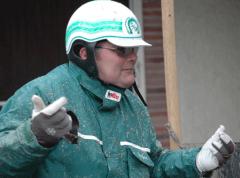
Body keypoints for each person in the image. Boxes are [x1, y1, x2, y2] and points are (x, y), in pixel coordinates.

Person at [0, 1, 235, 178]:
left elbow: (155, 165)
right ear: (83, 52)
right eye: (122, 49)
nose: (133, 57)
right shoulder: (41, 94)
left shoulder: (133, 106)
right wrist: (33, 138)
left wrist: (196, 162)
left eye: (134, 48)